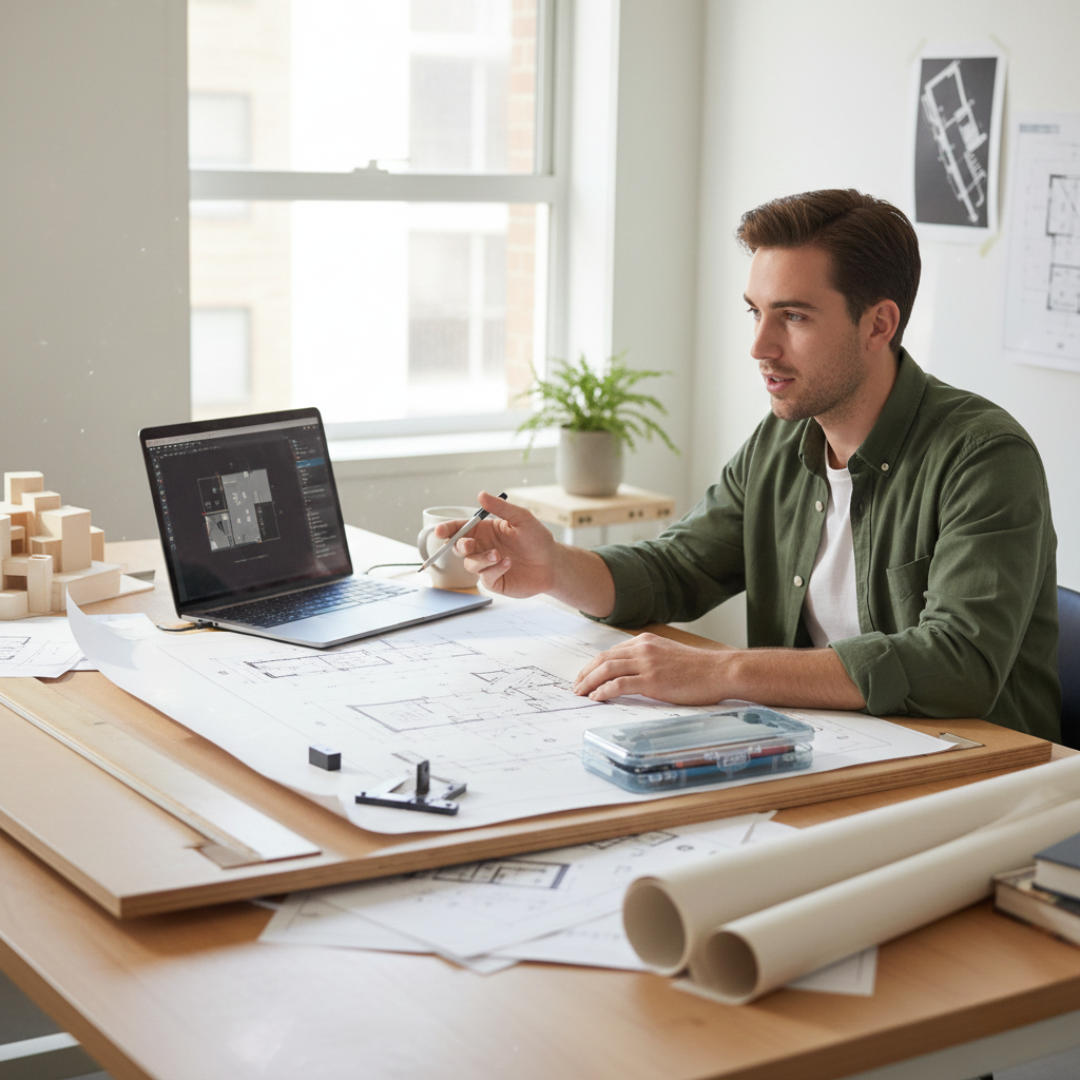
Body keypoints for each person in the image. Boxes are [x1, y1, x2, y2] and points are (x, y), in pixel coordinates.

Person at [435, 189, 1061, 742]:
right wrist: (554, 568)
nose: (760, 346)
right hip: (835, 747)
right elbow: (678, 567)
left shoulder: (983, 455)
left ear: (879, 324)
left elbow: (957, 664)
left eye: (793, 316)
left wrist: (725, 670)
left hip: (988, 774)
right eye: (755, 312)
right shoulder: (781, 440)